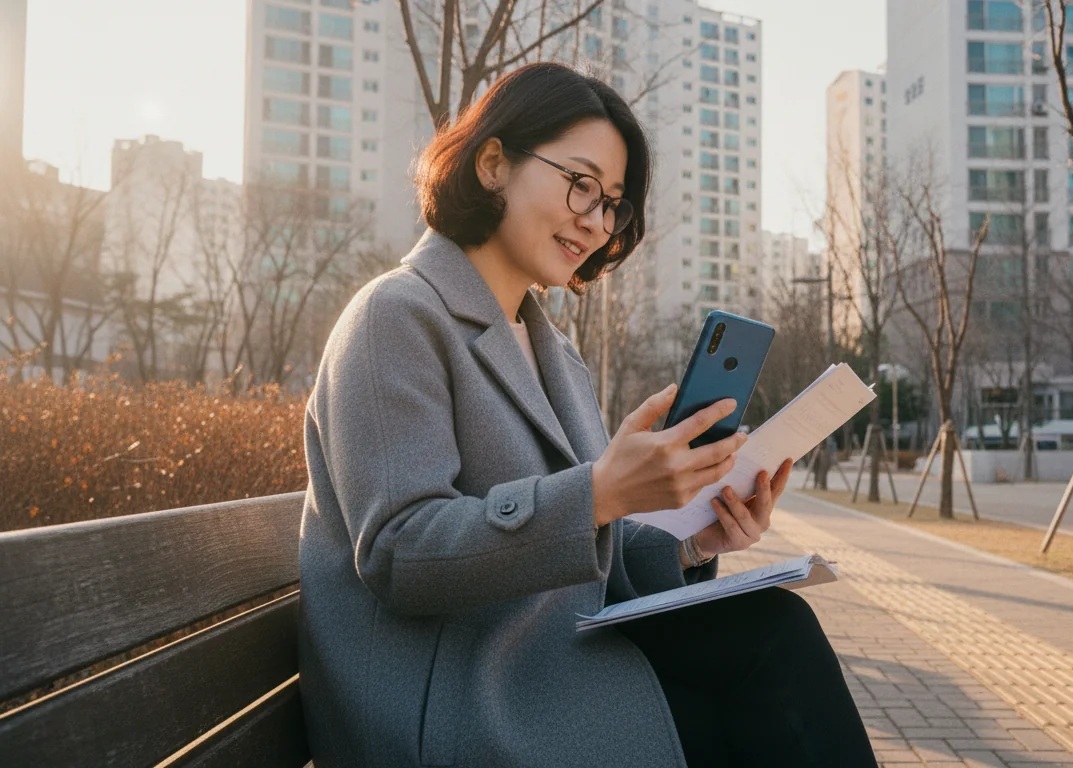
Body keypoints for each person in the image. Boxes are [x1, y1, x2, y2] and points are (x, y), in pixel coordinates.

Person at [297, 62, 877, 768]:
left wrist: (695, 536)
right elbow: (399, 552)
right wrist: (600, 492)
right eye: (580, 184)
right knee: (768, 667)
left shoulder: (555, 354)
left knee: (771, 628)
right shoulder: (397, 315)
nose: (597, 221)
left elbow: (593, 562)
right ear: (492, 163)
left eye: (613, 204)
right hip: (459, 704)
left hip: (557, 669)